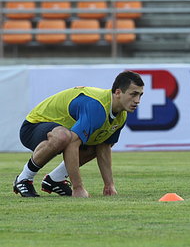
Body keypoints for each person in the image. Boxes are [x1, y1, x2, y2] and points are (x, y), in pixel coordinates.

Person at [13, 70, 144, 198]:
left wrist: (109, 185)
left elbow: (104, 148)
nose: (137, 100)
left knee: (96, 143)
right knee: (63, 136)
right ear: (118, 92)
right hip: (33, 126)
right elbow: (72, 143)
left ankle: (55, 180)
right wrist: (78, 188)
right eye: (133, 94)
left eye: (140, 95)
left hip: (59, 131)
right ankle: (24, 178)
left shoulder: (121, 115)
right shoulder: (97, 107)